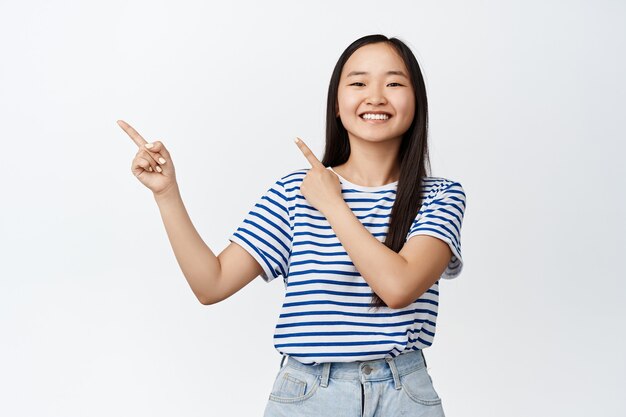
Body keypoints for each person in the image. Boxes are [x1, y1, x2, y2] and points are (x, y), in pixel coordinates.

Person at [118, 33, 466, 417]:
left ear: (417, 101)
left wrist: (333, 205)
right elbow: (211, 284)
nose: (376, 96)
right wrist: (167, 193)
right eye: (359, 82)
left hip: (404, 394)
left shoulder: (439, 196)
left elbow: (398, 287)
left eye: (395, 83)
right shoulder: (292, 193)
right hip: (310, 396)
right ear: (337, 103)